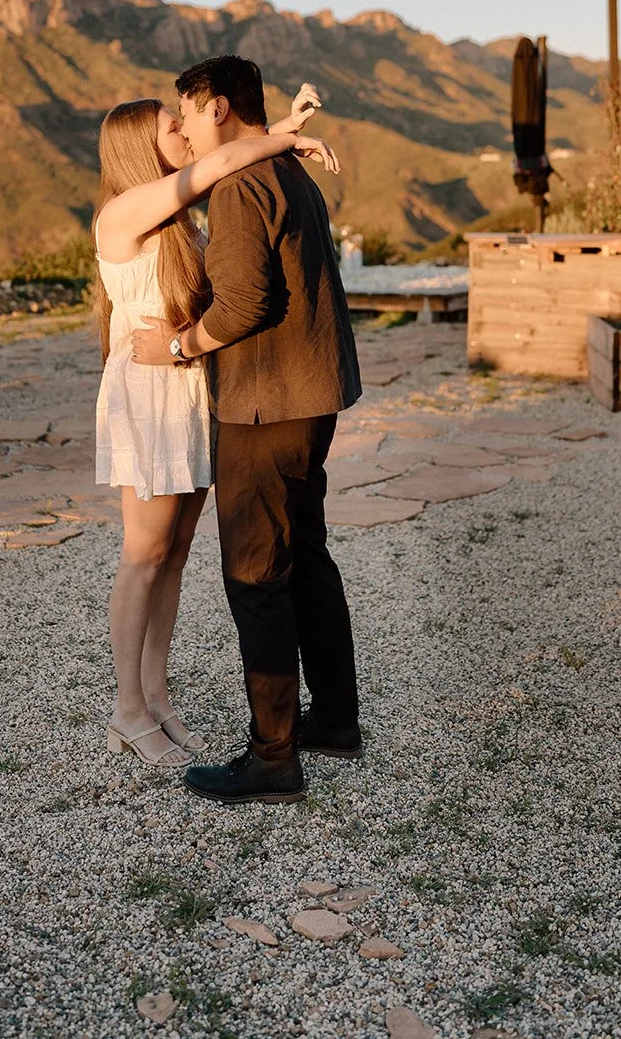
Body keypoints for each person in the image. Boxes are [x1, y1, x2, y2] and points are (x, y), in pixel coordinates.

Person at [131, 55, 362, 804]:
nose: (190, 132)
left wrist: (175, 346)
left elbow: (241, 305)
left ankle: (272, 759)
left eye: (189, 114)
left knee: (258, 577)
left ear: (219, 107)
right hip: (314, 395)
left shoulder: (238, 185)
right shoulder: (290, 171)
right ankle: (333, 721)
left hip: (264, 406)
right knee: (310, 559)